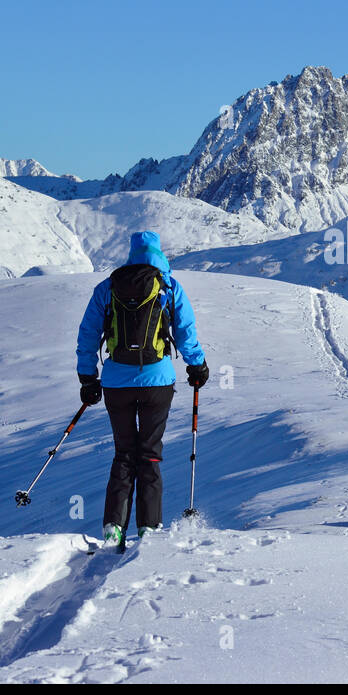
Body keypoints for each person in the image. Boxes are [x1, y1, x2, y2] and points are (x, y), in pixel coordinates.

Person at [76, 230, 208, 547]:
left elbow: (88, 334)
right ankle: (149, 527)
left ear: (131, 253)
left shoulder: (108, 288)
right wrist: (197, 366)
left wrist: (87, 378)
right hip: (158, 382)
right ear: (159, 253)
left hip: (116, 383)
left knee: (124, 453)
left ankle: (112, 526)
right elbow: (186, 333)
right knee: (149, 453)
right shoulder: (169, 287)